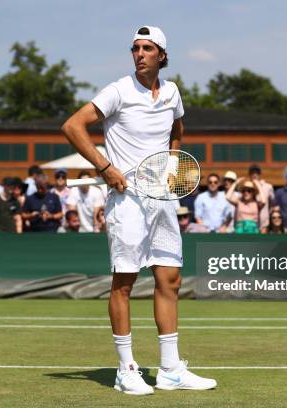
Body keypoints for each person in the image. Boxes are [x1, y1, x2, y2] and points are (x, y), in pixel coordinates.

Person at [61, 25, 216, 394]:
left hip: (162, 198)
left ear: (162, 56)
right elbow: (73, 126)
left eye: (148, 49)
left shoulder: (173, 92)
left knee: (170, 279)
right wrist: (105, 167)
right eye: (135, 48)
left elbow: (177, 128)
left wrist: (172, 162)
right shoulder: (117, 90)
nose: (140, 54)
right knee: (125, 282)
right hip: (126, 201)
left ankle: (170, 370)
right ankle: (125, 369)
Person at [248, 164, 274, 233]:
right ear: (249, 175)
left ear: (260, 174)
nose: (254, 175)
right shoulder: (246, 187)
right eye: (252, 173)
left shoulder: (268, 187)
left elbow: (272, 204)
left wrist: (267, 217)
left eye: (256, 173)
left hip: (264, 224)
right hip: (250, 223)